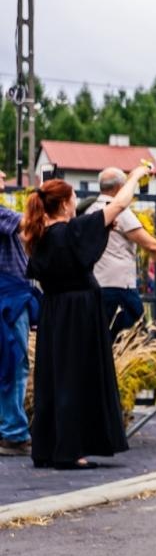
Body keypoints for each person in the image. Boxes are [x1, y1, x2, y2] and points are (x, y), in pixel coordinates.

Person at [23, 165, 153, 469]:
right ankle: (70, 452)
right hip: (79, 312)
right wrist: (135, 175)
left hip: (54, 311)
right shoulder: (73, 231)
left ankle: (47, 448)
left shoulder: (37, 236)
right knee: (75, 377)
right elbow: (119, 204)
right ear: (66, 204)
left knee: (54, 377)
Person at [90, 167, 156, 336]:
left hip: (93, 287)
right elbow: (151, 246)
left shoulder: (89, 210)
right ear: (121, 188)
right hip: (119, 289)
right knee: (131, 342)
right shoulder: (118, 212)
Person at [0, 168, 38, 456]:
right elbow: (27, 226)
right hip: (10, 298)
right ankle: (13, 432)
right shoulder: (2, 214)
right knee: (15, 362)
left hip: (11, 294)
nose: (3, 179)